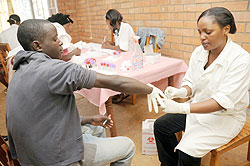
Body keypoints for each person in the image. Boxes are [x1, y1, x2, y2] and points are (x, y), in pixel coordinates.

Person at [6, 19, 164, 166]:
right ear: (37, 46)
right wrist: (150, 89)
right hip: (54, 157)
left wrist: (87, 119)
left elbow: (42, 115)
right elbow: (117, 81)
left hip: (30, 153)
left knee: (98, 128)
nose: (61, 41)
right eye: (55, 39)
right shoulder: (55, 70)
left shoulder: (20, 68)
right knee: (128, 146)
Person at [154, 7, 250, 166]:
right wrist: (181, 91)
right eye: (199, 32)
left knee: (188, 149)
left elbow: (221, 102)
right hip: (197, 107)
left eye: (208, 32)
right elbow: (191, 81)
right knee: (161, 126)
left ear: (226, 29)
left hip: (225, 117)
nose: (202, 37)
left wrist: (182, 108)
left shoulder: (240, 60)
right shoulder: (200, 52)